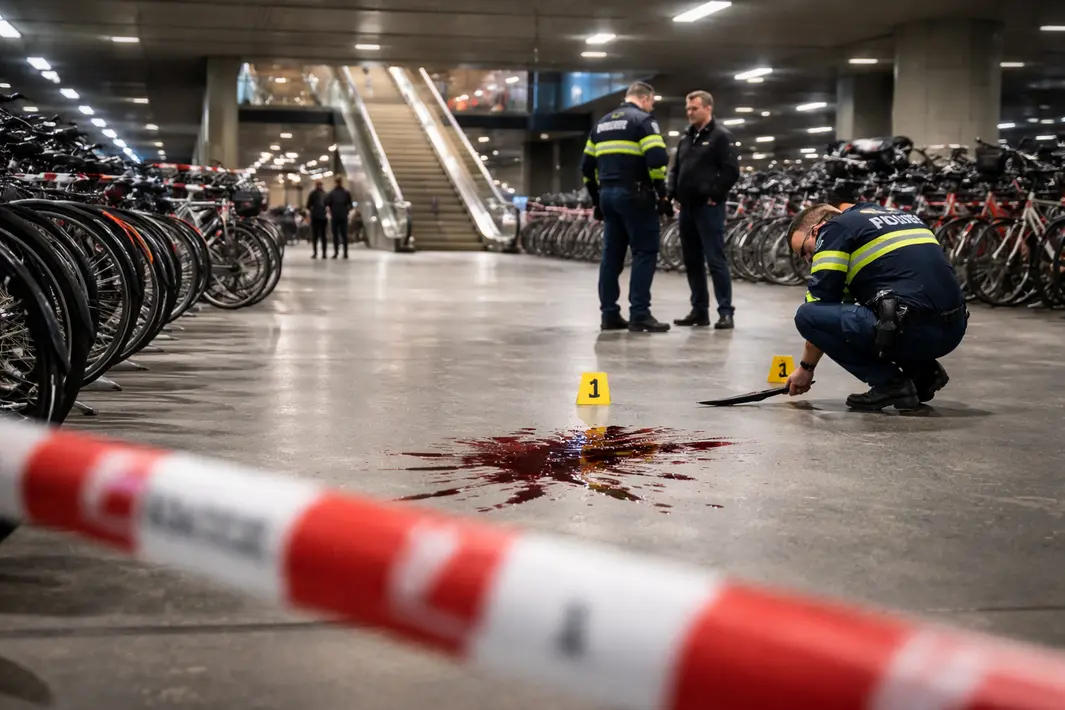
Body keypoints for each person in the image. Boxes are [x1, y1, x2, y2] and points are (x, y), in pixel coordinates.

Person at [784, 202, 968, 411]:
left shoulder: (833, 230)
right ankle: (924, 372)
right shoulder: (899, 215)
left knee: (807, 316)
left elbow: (820, 308)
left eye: (804, 251)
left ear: (816, 229)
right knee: (882, 310)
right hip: (954, 329)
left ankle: (891, 384)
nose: (808, 259)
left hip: (913, 332)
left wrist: (806, 368)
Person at [580, 81, 673, 333]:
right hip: (636, 195)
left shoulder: (601, 124)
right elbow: (657, 160)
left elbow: (586, 167)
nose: (651, 107)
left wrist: (596, 199)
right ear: (645, 99)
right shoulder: (644, 121)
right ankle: (639, 314)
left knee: (611, 256)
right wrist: (662, 195)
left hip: (608, 196)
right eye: (652, 103)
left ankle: (609, 314)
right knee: (644, 252)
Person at [668, 91, 740, 330]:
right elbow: (676, 169)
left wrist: (714, 195)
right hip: (687, 208)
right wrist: (673, 194)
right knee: (692, 261)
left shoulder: (721, 136)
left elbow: (731, 170)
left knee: (715, 260)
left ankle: (725, 312)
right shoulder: (686, 137)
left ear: (708, 108)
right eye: (688, 109)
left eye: (694, 108)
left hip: (709, 208)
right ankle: (699, 311)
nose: (689, 113)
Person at [326, 176, 353, 259]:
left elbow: (327, 203)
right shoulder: (346, 193)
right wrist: (346, 211)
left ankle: (336, 252)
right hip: (343, 216)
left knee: (336, 235)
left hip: (335, 216)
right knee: (344, 235)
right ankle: (345, 253)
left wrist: (331, 210)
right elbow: (350, 205)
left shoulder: (332, 193)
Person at [306, 180, 329, 258]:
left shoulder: (312, 194)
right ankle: (324, 254)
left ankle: (315, 253)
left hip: (315, 217)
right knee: (323, 236)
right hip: (322, 217)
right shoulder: (325, 194)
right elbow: (328, 205)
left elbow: (308, 206)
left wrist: (313, 210)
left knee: (315, 236)